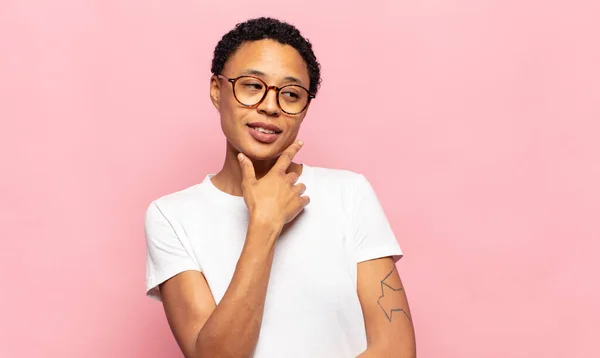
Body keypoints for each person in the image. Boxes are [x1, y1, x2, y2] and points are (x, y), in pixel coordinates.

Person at [144, 17, 416, 358]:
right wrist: (265, 224)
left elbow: (396, 349)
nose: (270, 106)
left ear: (305, 108)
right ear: (217, 90)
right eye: (252, 86)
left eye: (290, 94)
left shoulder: (350, 194)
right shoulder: (172, 217)